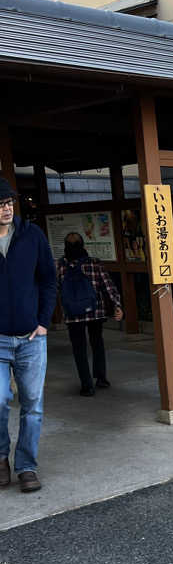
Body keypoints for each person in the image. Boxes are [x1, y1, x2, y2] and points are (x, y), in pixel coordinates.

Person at [0, 175, 57, 494]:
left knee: (33, 403)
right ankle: (0, 457)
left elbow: (49, 279)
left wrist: (43, 322)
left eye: (8, 203)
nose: (7, 209)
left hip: (32, 339)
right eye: (0, 205)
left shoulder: (31, 235)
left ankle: (26, 466)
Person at [57, 232, 123, 397]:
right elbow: (108, 286)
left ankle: (87, 385)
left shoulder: (60, 266)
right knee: (97, 344)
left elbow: (54, 289)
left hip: (73, 314)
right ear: (83, 245)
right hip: (95, 311)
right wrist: (117, 305)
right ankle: (101, 378)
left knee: (79, 349)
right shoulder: (94, 264)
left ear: (65, 247)